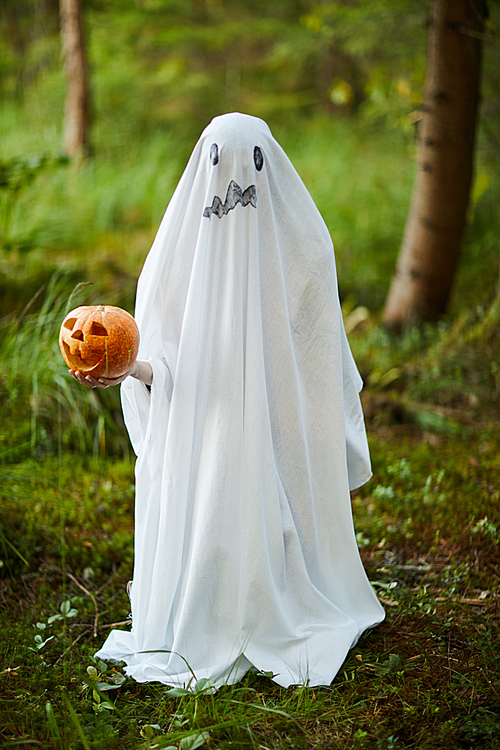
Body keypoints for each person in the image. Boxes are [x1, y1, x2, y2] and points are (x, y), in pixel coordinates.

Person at [72, 112, 384, 688]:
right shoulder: (174, 260)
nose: (237, 184)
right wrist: (125, 369)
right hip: (205, 431)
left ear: (271, 168)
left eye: (252, 165)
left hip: (275, 435)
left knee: (270, 514)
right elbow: (163, 363)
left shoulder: (305, 250)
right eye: (222, 164)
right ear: (203, 167)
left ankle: (281, 591)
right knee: (214, 501)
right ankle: (210, 602)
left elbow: (316, 358)